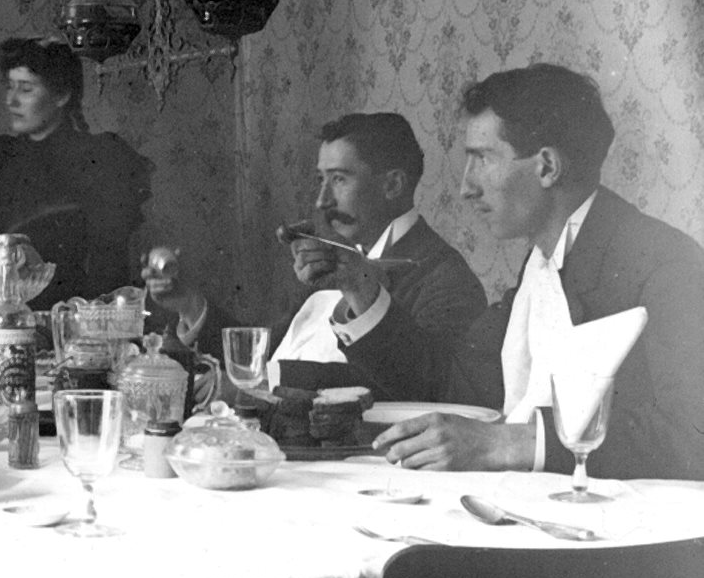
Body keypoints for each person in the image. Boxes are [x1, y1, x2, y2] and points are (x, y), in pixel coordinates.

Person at [326, 64, 704, 480]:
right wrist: (360, 290)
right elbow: (453, 384)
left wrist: (508, 443)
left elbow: (692, 437)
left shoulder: (666, 263)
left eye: (482, 159)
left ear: (546, 167)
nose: (466, 187)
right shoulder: (539, 265)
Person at [268, 112, 486, 394]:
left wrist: (272, 380)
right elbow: (264, 351)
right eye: (321, 179)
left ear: (392, 185)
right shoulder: (333, 261)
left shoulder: (445, 278)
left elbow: (431, 388)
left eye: (339, 180)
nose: (322, 201)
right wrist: (192, 304)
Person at [0, 36, 152, 305]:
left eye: (26, 89)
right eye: (10, 87)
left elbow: (109, 269)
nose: (11, 101)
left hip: (68, 315)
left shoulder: (100, 161)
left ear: (62, 95)